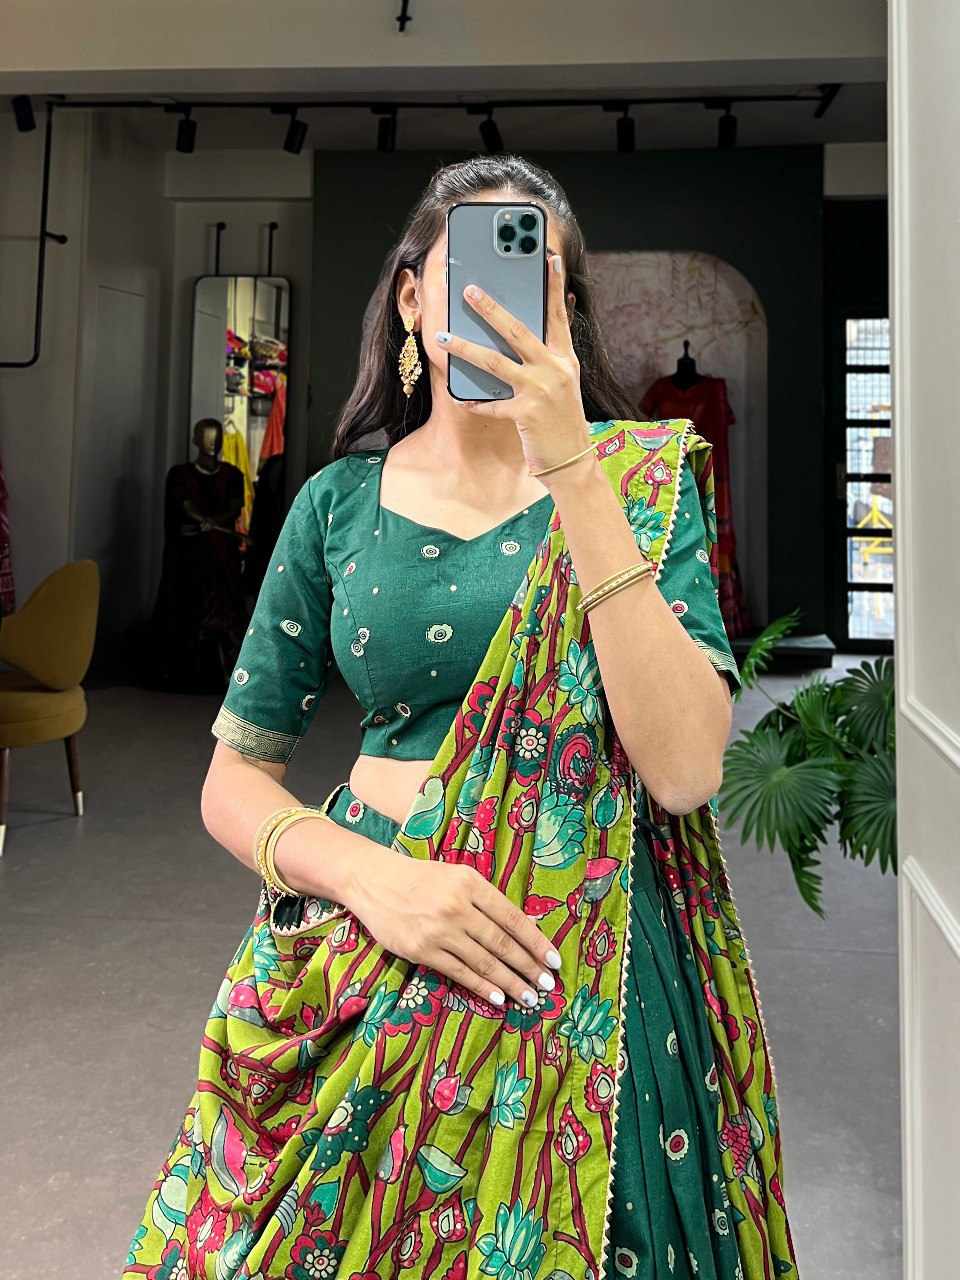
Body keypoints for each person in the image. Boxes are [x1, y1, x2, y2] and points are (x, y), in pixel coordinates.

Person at [123, 156, 800, 1280]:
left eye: (534, 279)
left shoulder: (642, 487)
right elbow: (233, 777)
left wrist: (574, 466)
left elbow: (684, 770)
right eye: (467, 268)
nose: (497, 299)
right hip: (368, 938)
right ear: (409, 298)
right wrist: (375, 880)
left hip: (578, 958)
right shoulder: (337, 504)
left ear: (567, 313)